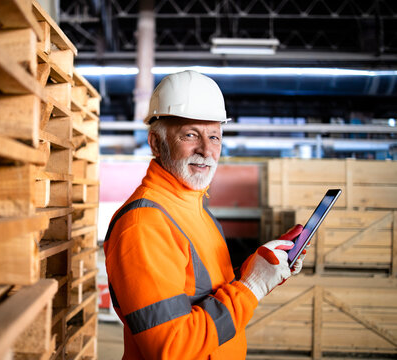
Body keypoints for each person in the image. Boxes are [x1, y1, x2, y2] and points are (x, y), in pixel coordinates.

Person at [103, 70, 307, 359]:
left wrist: (262, 269)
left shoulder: (196, 208)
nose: (207, 150)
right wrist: (251, 287)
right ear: (156, 144)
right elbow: (171, 348)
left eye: (214, 136)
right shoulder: (144, 225)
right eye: (190, 135)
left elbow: (209, 292)